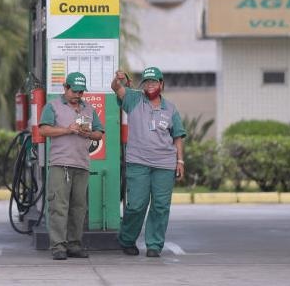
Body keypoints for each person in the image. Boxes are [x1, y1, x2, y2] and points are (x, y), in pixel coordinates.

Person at [111, 67, 186, 258]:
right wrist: (118, 79)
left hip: (165, 164)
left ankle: (154, 244)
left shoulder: (170, 108)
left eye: (154, 81)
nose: (150, 84)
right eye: (147, 81)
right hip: (138, 162)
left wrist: (180, 160)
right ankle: (127, 240)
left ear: (161, 84)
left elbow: (177, 136)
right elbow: (115, 87)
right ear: (143, 85)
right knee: (136, 205)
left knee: (160, 206)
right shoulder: (134, 99)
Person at [38, 72, 104, 260]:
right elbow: (43, 129)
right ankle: (58, 246)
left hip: (82, 164)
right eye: (74, 90)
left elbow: (99, 133)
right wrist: (68, 130)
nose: (77, 95)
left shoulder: (88, 109)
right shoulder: (52, 107)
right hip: (60, 164)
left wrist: (89, 134)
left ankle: (74, 245)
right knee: (59, 206)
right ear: (65, 88)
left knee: (79, 207)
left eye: (81, 91)